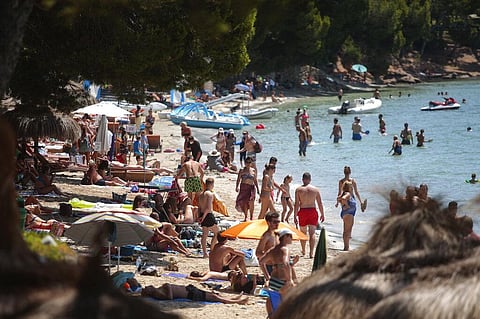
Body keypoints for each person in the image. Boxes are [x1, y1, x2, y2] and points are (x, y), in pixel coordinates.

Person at [294, 172, 325, 258]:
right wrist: (322, 214)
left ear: (303, 179)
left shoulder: (298, 190)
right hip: (312, 211)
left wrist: (295, 215)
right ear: (310, 179)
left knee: (303, 232)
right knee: (312, 233)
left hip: (303, 211)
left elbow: (296, 204)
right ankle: (311, 253)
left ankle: (303, 250)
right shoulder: (315, 190)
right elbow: (320, 203)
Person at [141, 283, 249, 304]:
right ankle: (238, 301)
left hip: (190, 290)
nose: (146, 286)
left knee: (213, 294)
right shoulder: (157, 293)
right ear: (149, 292)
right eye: (146, 288)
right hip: (190, 295)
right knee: (214, 297)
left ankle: (234, 298)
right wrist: (168, 287)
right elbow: (169, 297)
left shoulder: (159, 289)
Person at [197, 177, 219, 257]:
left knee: (204, 234)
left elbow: (199, 207)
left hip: (202, 214)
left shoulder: (201, 194)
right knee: (217, 233)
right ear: (212, 184)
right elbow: (209, 208)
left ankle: (205, 253)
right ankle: (212, 250)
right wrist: (203, 218)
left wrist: (199, 217)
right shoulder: (210, 194)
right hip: (208, 215)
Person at [235, 156, 259, 221]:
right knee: (245, 202)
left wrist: (258, 189)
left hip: (251, 187)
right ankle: (246, 216)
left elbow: (255, 180)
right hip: (244, 187)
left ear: (251, 163)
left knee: (251, 202)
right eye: (247, 162)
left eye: (249, 162)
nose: (248, 164)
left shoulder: (253, 170)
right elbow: (238, 179)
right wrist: (236, 187)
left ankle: (251, 216)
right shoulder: (242, 170)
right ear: (245, 163)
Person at [336, 181, 357, 251]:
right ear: (348, 187)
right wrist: (347, 206)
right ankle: (346, 247)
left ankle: (347, 246)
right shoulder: (347, 194)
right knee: (347, 231)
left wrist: (341, 203)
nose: (352, 187)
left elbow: (338, 198)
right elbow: (343, 198)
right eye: (351, 186)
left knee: (347, 230)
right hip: (348, 213)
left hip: (348, 213)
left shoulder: (346, 194)